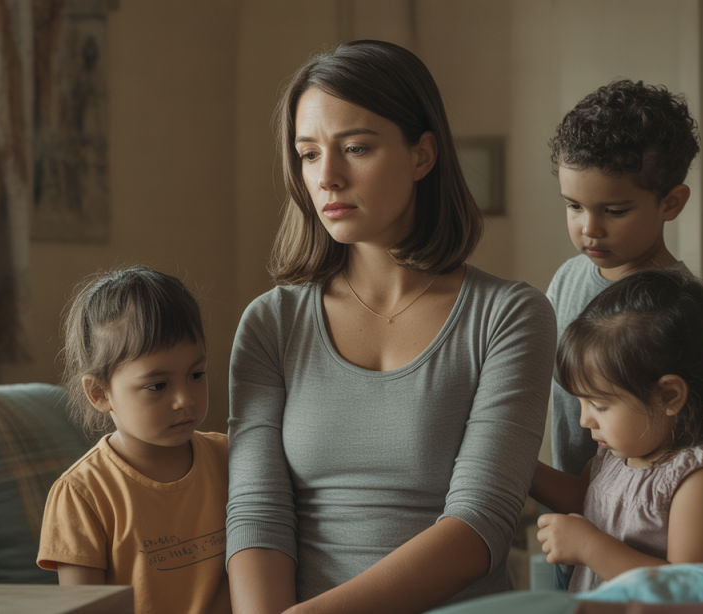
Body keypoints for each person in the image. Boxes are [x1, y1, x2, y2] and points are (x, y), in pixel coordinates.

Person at [227, 40, 556, 614]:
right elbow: (257, 515)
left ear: (422, 155)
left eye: (355, 148)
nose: (326, 177)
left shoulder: (509, 316)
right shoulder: (270, 324)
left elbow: (480, 528)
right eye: (308, 154)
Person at [531, 268, 703, 592]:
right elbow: (586, 501)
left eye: (600, 406)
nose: (584, 420)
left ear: (668, 396)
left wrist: (590, 548)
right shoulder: (617, 456)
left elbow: (691, 587)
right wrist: (521, 470)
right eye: (581, 402)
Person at [37, 265, 230, 614]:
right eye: (158, 385)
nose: (185, 398)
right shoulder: (82, 494)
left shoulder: (231, 457)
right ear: (99, 393)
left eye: (196, 374)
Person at [536, 79, 702, 480]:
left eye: (614, 210)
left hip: (645, 509)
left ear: (671, 203)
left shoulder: (676, 300)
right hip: (577, 496)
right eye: (574, 206)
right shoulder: (568, 277)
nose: (589, 229)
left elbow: (689, 431)